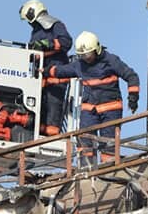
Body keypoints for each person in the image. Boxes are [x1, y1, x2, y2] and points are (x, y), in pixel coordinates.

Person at [45, 31, 141, 161]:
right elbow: (63, 70)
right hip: (89, 109)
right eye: (82, 55)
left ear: (97, 49)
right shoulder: (80, 65)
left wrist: (133, 97)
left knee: (108, 142)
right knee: (84, 138)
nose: (86, 58)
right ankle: (86, 169)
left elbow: (131, 76)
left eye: (88, 54)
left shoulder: (111, 61)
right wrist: (46, 71)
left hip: (110, 109)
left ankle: (108, 169)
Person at [19, 0, 74, 136]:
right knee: (39, 116)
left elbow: (66, 42)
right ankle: (38, 138)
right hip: (41, 80)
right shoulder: (35, 32)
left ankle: (51, 140)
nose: (29, 23)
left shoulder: (56, 25)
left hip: (56, 80)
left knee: (52, 117)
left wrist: (46, 44)